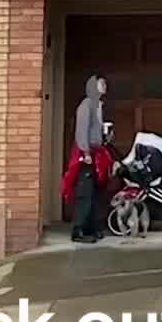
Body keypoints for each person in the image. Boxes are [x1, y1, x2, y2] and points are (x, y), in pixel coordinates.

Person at [65, 75, 110, 242]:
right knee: (85, 193)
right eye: (101, 83)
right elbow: (81, 130)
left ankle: (91, 228)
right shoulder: (86, 105)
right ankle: (78, 231)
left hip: (96, 153)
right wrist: (85, 153)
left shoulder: (98, 106)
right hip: (86, 156)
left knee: (94, 193)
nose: (104, 85)